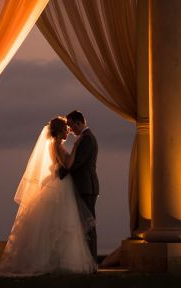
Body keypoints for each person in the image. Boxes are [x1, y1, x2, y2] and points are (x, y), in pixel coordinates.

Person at [0, 115, 97, 274]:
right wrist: (75, 148)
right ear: (59, 131)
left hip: (61, 183)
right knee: (62, 225)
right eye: (66, 129)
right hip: (61, 186)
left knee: (59, 226)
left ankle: (58, 260)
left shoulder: (56, 144)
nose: (68, 132)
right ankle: (61, 261)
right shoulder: (57, 145)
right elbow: (68, 164)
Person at [59, 109, 99, 260]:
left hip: (86, 187)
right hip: (84, 186)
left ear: (78, 123)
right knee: (85, 224)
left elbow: (76, 163)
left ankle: (92, 261)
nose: (70, 130)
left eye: (71, 126)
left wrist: (59, 175)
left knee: (88, 225)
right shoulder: (84, 138)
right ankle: (88, 259)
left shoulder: (86, 139)